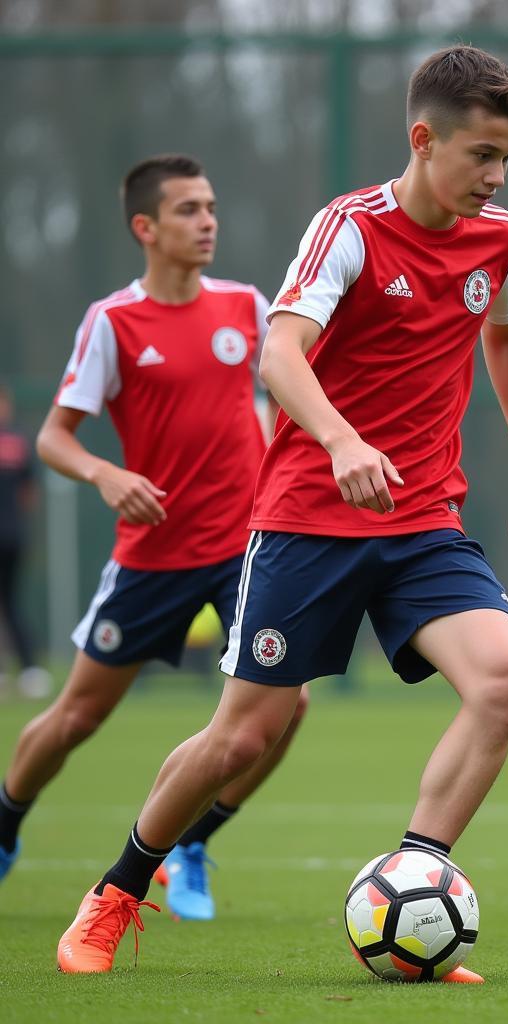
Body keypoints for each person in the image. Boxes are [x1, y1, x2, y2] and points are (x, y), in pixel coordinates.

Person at [55, 46, 508, 979]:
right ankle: (116, 894)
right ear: (423, 139)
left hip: (421, 523)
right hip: (306, 522)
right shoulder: (351, 228)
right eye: (482, 155)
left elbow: (507, 333)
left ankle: (419, 889)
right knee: (241, 737)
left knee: (504, 682)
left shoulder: (499, 239)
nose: (496, 178)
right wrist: (340, 440)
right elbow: (280, 356)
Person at [0, 154, 308, 922]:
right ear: (146, 227)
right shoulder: (114, 321)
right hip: (154, 556)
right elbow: (53, 437)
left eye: (211, 206)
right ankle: (5, 823)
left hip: (246, 549)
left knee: (289, 705)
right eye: (187, 210)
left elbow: (282, 396)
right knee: (76, 717)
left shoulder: (246, 305)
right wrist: (106, 475)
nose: (207, 221)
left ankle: (191, 846)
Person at [0, 383, 52, 699]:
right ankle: (28, 669)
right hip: (16, 535)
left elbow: (29, 493)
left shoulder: (18, 440)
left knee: (10, 603)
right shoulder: (20, 439)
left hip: (11, 536)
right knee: (11, 603)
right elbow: (30, 493)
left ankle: (29, 670)